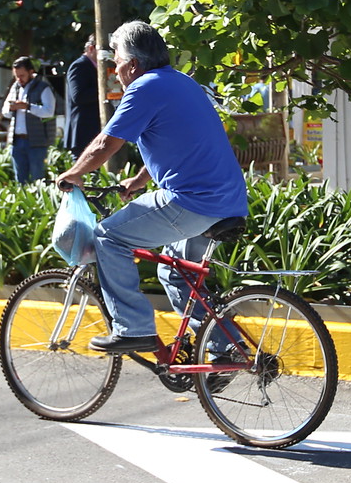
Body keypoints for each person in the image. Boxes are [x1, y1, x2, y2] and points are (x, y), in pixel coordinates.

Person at [56, 21, 250, 355]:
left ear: (132, 64)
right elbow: (177, 141)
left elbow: (106, 144)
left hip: (191, 201)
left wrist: (73, 174)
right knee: (174, 273)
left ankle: (133, 329)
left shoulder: (144, 87)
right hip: (226, 200)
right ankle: (225, 350)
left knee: (107, 236)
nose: (114, 70)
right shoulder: (182, 83)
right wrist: (139, 181)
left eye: (115, 61)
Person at [0, 57, 57, 184]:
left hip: (36, 141)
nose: (19, 79)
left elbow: (49, 111)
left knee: (38, 177)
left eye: (22, 75)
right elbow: (5, 112)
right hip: (17, 140)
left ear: (31, 72)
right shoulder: (15, 87)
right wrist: (11, 108)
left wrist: (27, 106)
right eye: (16, 76)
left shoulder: (43, 87)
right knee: (20, 178)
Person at [61, 34, 102, 157]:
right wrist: (104, 90)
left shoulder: (99, 67)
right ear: (91, 48)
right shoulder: (79, 66)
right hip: (83, 132)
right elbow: (78, 96)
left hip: (96, 130)